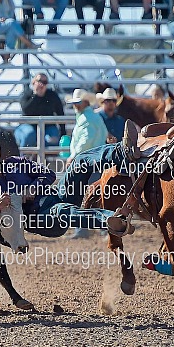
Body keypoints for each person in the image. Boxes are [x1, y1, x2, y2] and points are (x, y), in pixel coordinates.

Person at [0, 138, 124, 239]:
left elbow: (48, 174)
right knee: (62, 210)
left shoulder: (14, 162)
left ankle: (121, 152)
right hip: (39, 218)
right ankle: (110, 220)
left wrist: (32, 188)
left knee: (80, 161)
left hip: (56, 194)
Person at [64, 88, 108, 238]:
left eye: (78, 103)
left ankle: (83, 229)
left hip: (87, 161)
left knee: (81, 194)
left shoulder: (86, 118)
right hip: (97, 160)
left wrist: (73, 156)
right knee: (98, 196)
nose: (75, 105)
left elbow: (85, 140)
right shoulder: (93, 117)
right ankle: (104, 227)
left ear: (85, 102)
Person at [14, 73, 66, 148]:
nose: (41, 84)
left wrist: (63, 132)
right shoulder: (27, 94)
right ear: (33, 82)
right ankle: (25, 157)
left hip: (48, 126)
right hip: (28, 125)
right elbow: (26, 110)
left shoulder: (52, 95)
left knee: (53, 140)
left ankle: (45, 158)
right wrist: (36, 95)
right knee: (29, 136)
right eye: (39, 81)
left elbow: (60, 113)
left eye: (44, 82)